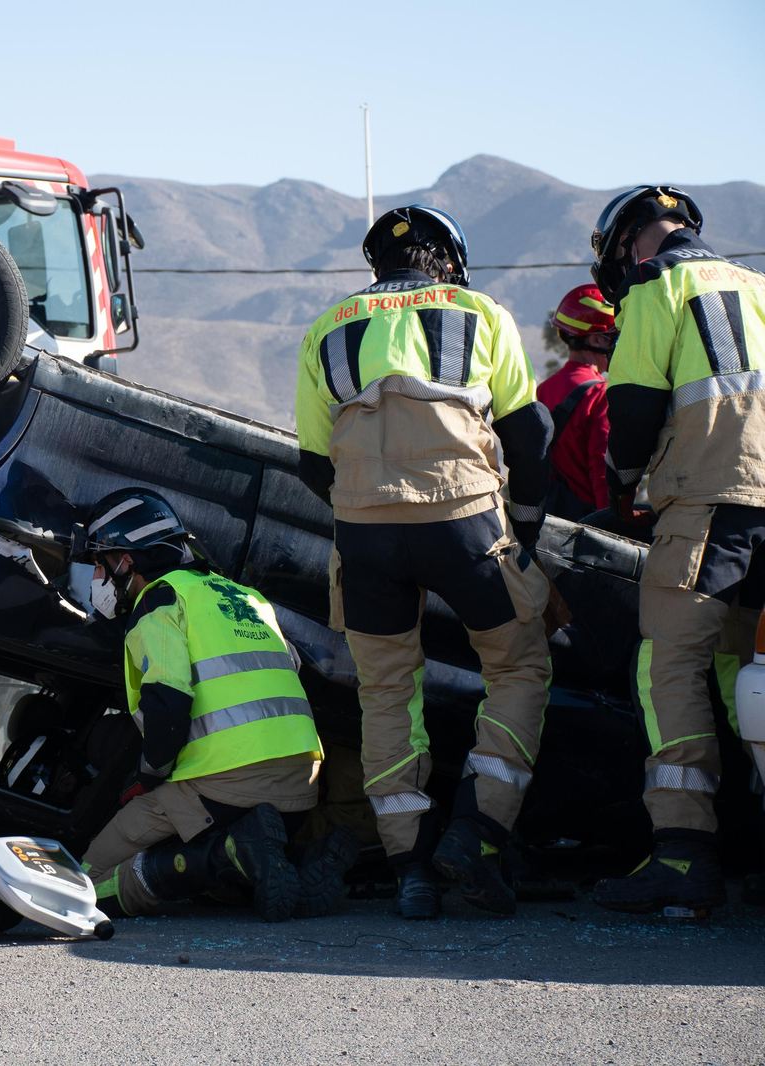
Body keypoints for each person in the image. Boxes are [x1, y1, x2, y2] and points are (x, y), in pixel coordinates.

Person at [294, 205, 555, 919]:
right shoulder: (481, 312)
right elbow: (531, 434)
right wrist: (523, 528)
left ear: (378, 265)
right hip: (464, 521)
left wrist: (365, 510)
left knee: (384, 692)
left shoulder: (329, 326)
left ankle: (411, 868)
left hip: (365, 533)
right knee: (519, 665)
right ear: (447, 260)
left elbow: (312, 462)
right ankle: (478, 831)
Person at [587, 187, 765, 914]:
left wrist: (625, 485)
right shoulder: (757, 285)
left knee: (669, 661)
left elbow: (631, 409)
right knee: (744, 659)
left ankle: (685, 854)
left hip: (708, 500)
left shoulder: (656, 286)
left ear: (630, 246)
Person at [71, 489, 357, 923]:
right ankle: (294, 860)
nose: (96, 575)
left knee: (86, 885)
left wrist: (147, 778)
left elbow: (169, 702)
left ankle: (220, 856)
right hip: (301, 783)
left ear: (126, 562)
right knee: (233, 889)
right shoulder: (246, 597)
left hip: (228, 782)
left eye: (99, 562)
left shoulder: (159, 602)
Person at [537, 284, 617, 520]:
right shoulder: (600, 393)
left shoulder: (544, 389)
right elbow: (603, 465)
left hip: (555, 519)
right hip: (591, 519)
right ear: (596, 340)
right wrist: (611, 520)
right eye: (612, 337)